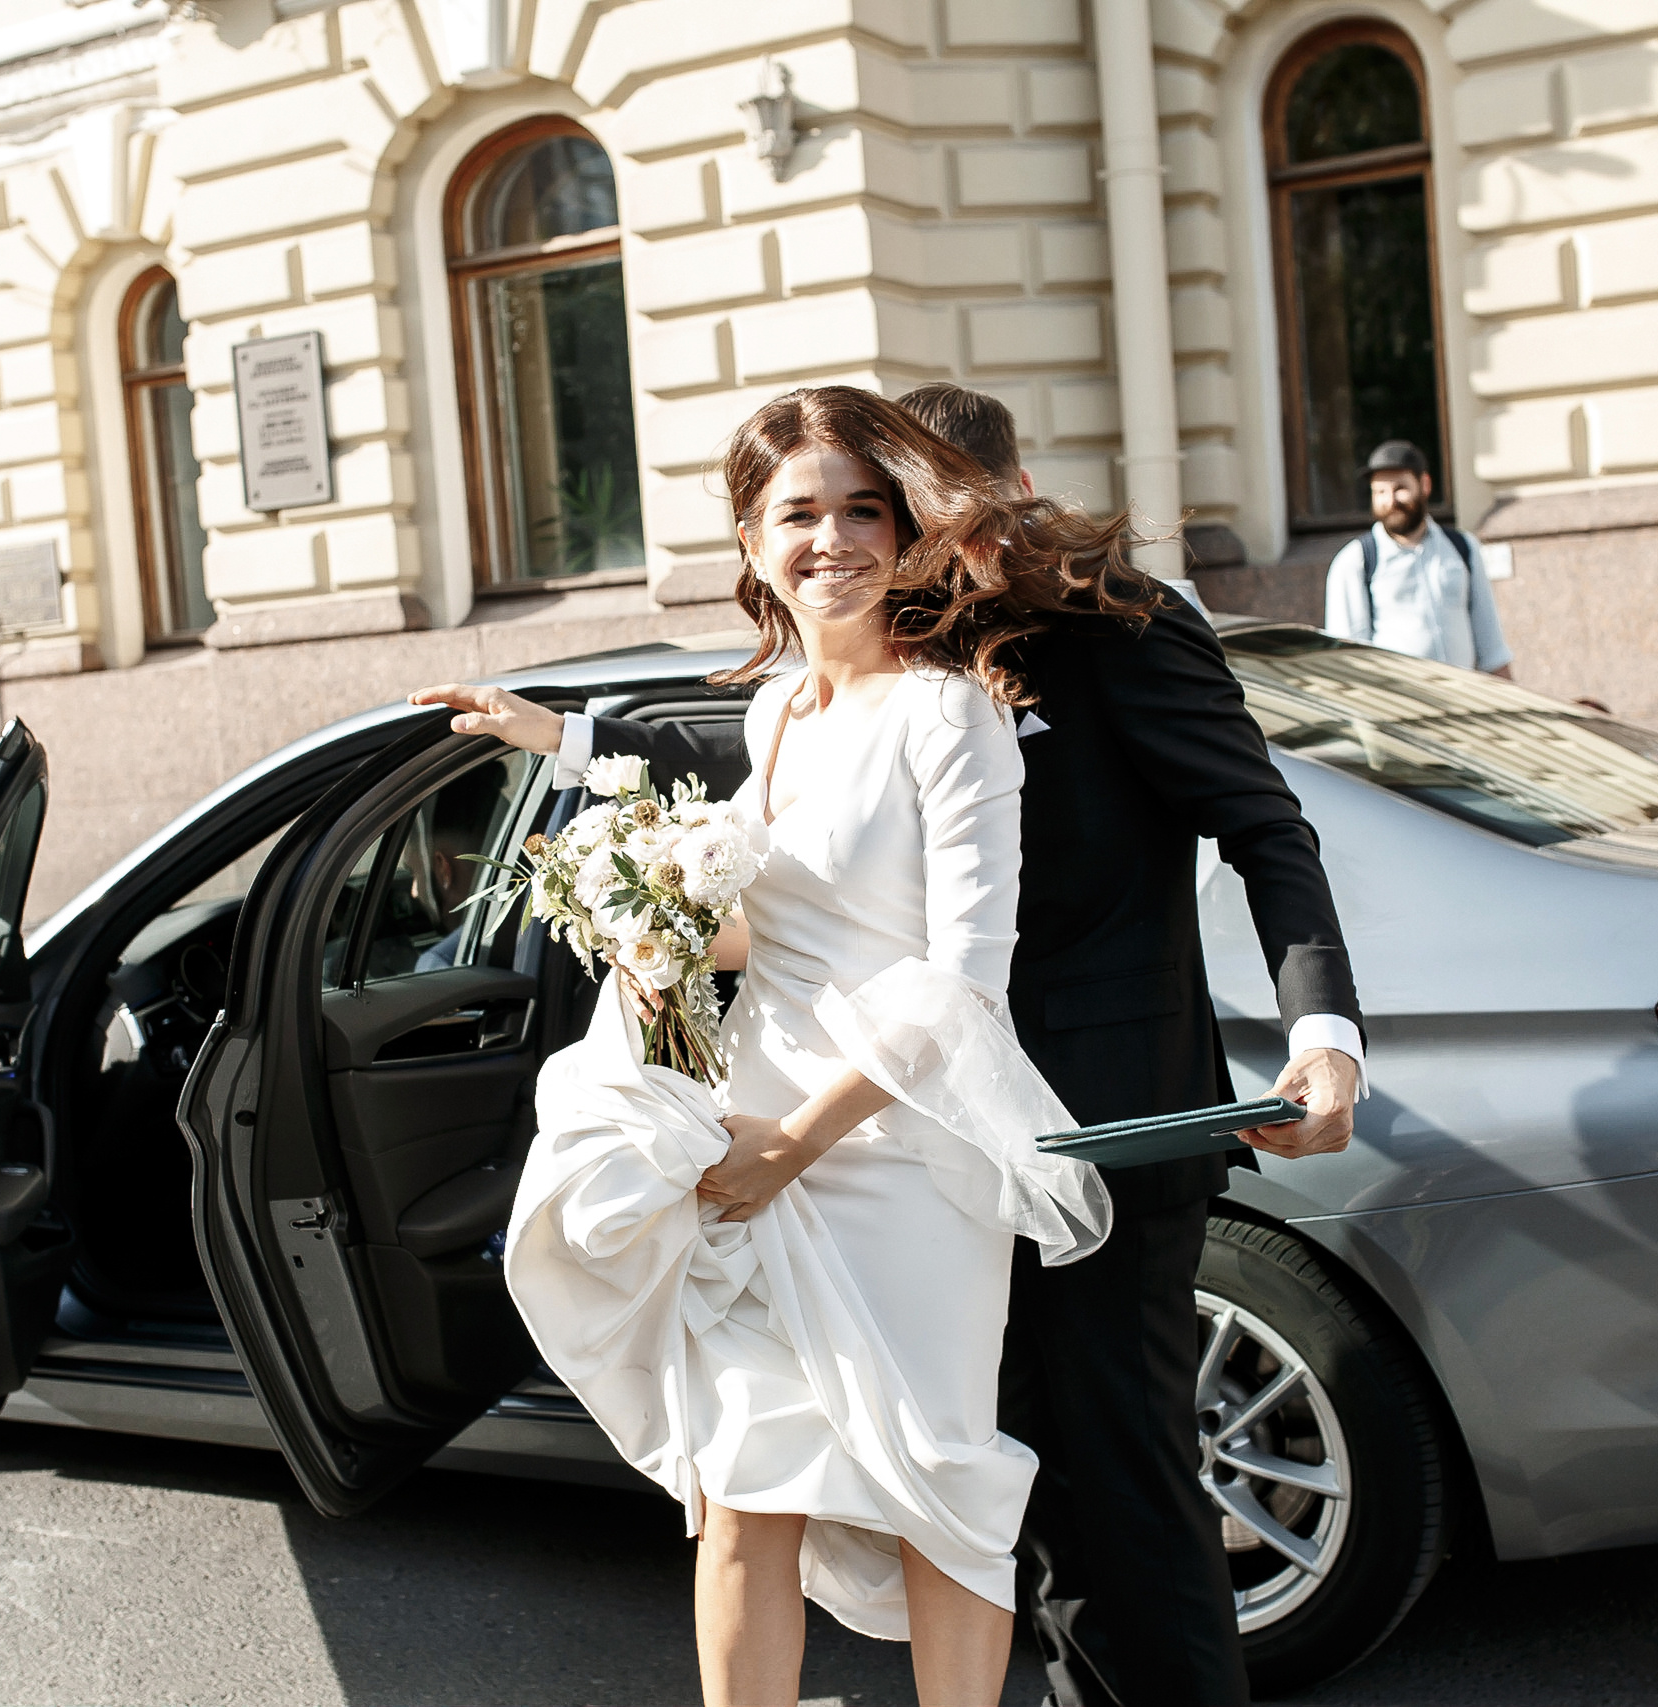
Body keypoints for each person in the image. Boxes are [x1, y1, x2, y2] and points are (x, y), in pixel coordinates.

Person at [419, 382, 1364, 1707]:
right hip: (904, 1148)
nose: (925, 536)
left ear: (1001, 494)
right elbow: (784, 782)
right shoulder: (876, 648)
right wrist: (580, 744)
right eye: (881, 510)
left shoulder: (1120, 633)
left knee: (1124, 1489)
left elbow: (1267, 828)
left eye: (915, 506)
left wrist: (1325, 1034)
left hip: (1091, 1129)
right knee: (999, 1501)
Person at [499, 387, 1130, 1707]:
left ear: (904, 530)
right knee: (740, 1490)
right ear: (750, 537)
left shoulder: (950, 715)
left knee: (934, 1487)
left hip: (897, 1159)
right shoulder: (778, 713)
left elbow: (960, 977)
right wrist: (655, 924)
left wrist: (797, 1141)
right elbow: (776, 929)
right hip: (744, 1147)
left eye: (864, 509)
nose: (832, 536)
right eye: (800, 511)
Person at [1322, 438, 1512, 680]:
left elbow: (1492, 647)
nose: (1390, 501)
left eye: (1400, 488)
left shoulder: (1463, 548)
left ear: (1424, 485)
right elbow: (1347, 661)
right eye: (1380, 492)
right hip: (1398, 708)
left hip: (1464, 703)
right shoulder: (1355, 562)